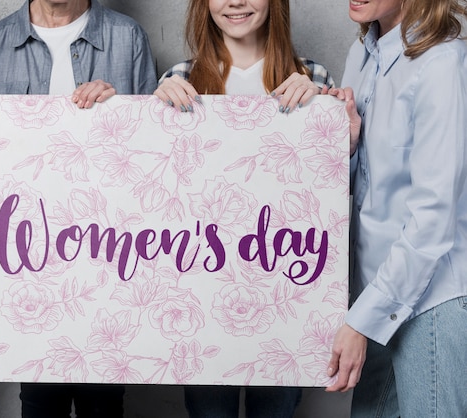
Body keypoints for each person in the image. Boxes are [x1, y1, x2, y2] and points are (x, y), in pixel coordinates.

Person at [0, 0, 158, 416]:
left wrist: (118, 114)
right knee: (39, 399)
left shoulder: (128, 38)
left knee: (105, 399)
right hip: (26, 263)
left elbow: (151, 157)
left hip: (109, 260)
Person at [153, 0, 335, 417]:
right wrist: (154, 115)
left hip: (285, 294)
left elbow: (327, 197)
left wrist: (323, 113)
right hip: (201, 300)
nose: (236, 2)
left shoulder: (311, 78)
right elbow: (159, 200)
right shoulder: (179, 79)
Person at [325, 0, 467, 417]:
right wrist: (347, 145)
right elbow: (363, 188)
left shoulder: (442, 64)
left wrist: (358, 322)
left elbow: (433, 221)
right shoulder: (362, 54)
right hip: (377, 296)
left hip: (431, 304)